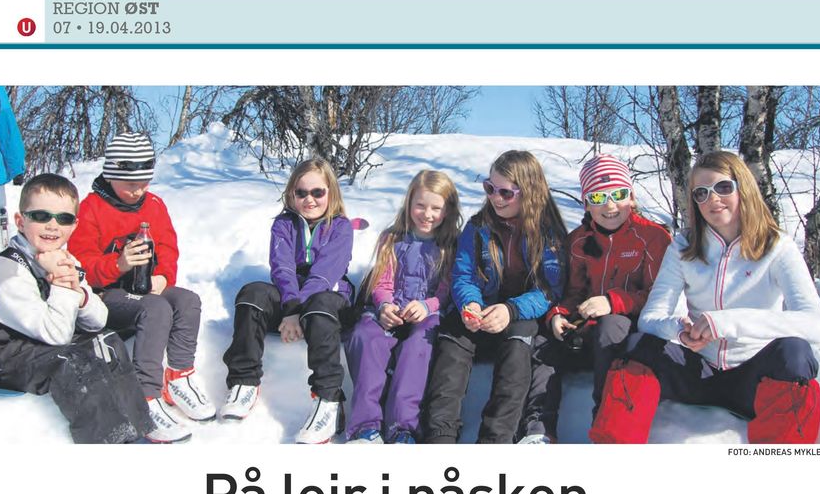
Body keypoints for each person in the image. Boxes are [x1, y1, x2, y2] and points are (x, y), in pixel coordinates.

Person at [591, 150, 820, 445]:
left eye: (723, 188)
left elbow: (815, 325)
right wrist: (680, 330)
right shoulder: (683, 246)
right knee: (639, 345)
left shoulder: (777, 246)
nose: (712, 199)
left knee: (795, 353)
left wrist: (728, 322)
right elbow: (652, 317)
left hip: (755, 379)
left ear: (744, 188)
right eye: (701, 193)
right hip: (697, 371)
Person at [0, 172, 150, 444]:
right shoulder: (8, 272)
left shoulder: (65, 260)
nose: (53, 226)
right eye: (41, 216)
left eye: (63, 218)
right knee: (71, 361)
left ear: (73, 225)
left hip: (32, 337)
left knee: (107, 341)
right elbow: (57, 337)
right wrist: (63, 284)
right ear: (21, 221)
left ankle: (139, 429)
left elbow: (99, 320)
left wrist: (79, 294)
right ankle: (106, 440)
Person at [69, 132, 213, 444]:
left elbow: (168, 246)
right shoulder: (91, 208)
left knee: (188, 300)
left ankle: (178, 375)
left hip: (146, 285)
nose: (138, 190)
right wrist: (118, 265)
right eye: (130, 184)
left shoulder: (155, 205)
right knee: (156, 307)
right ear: (111, 175)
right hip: (106, 294)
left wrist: (163, 276)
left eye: (144, 182)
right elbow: (82, 266)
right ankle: (145, 395)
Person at [420, 150, 566, 444]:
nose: (496, 198)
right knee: (452, 335)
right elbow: (463, 275)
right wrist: (470, 303)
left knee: (519, 342)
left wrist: (511, 310)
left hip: (519, 316)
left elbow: (550, 289)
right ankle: (440, 433)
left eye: (505, 192)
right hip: (482, 314)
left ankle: (496, 438)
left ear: (529, 192)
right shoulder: (477, 227)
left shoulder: (548, 233)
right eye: (490, 188)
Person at [522, 154, 670, 442]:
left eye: (618, 194)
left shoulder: (654, 237)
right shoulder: (578, 240)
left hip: (629, 334)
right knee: (543, 340)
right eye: (599, 197)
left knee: (611, 323)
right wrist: (558, 315)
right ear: (586, 203)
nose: (610, 205)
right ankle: (540, 429)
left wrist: (614, 302)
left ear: (632, 197)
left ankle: (606, 424)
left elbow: (661, 296)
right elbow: (574, 291)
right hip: (586, 330)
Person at [220, 157, 355, 444]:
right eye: (301, 192)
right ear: (291, 194)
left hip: (329, 300)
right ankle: (244, 381)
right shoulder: (283, 225)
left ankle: (328, 401)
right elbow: (281, 268)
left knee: (320, 305)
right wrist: (291, 308)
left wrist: (297, 311)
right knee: (252, 294)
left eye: (318, 192)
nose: (310, 199)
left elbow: (323, 274)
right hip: (290, 298)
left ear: (330, 192)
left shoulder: (340, 227)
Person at [344, 170, 461, 443]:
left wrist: (427, 305)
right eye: (420, 205)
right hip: (392, 310)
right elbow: (382, 282)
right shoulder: (393, 238)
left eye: (436, 208)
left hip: (429, 314)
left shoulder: (450, 244)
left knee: (420, 344)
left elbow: (446, 291)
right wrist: (384, 305)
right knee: (364, 335)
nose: (427, 214)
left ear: (448, 210)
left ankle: (403, 426)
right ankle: (365, 427)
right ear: (409, 204)